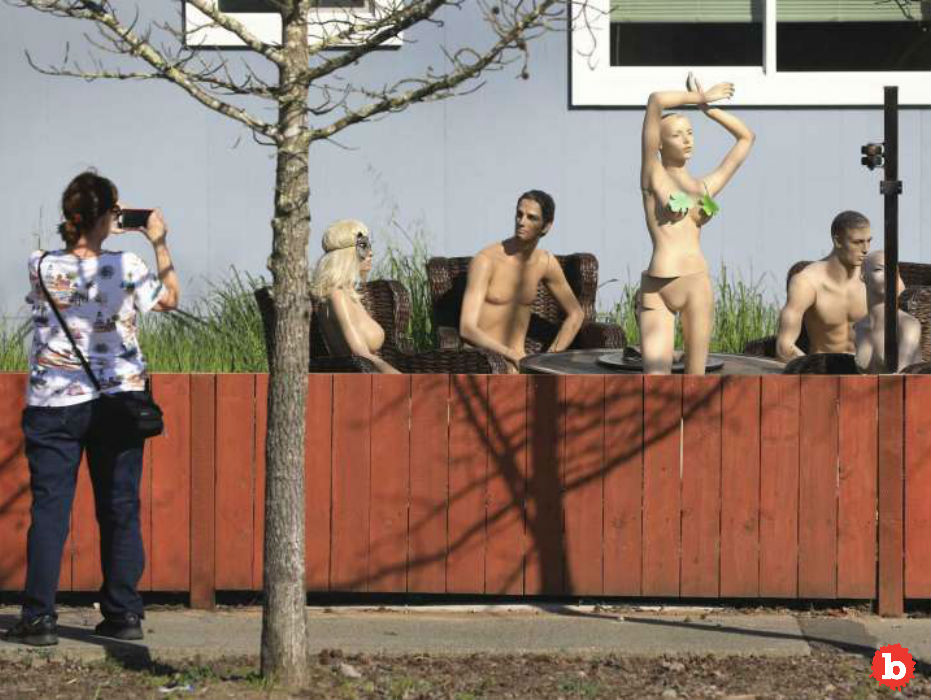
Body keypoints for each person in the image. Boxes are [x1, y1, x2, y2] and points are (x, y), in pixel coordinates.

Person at [2, 171, 179, 646]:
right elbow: (169, 300)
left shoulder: (40, 264)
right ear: (106, 217)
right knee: (119, 508)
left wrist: (100, 224)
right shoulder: (128, 265)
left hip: (53, 404)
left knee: (50, 509)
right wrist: (158, 241)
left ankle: (39, 618)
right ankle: (123, 613)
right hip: (118, 401)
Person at [638, 73, 755, 375]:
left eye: (690, 132)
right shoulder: (652, 172)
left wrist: (710, 111)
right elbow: (656, 100)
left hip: (696, 283)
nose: (687, 139)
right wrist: (702, 96)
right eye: (677, 135)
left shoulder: (704, 187)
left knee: (696, 382)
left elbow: (746, 138)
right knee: (654, 382)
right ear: (659, 143)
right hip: (657, 285)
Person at [458, 190, 584, 373]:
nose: (521, 221)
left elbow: (576, 314)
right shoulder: (486, 261)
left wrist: (549, 358)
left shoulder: (545, 262)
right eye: (519, 214)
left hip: (519, 366)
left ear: (546, 227)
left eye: (531, 217)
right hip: (482, 362)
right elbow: (466, 328)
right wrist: (511, 355)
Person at [776, 211, 872, 362]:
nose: (866, 249)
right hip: (821, 368)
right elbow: (784, 347)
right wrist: (812, 370)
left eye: (869, 241)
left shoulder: (878, 280)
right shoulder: (807, 282)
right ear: (838, 241)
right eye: (857, 242)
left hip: (868, 372)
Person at [310, 219, 400, 374]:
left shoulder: (347, 293)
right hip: (359, 380)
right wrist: (403, 381)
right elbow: (361, 354)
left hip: (369, 375)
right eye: (363, 246)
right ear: (347, 255)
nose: (370, 253)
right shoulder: (338, 295)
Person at [854, 250, 922, 373]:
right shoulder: (857, 328)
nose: (888, 275)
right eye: (878, 269)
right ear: (863, 276)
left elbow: (899, 376)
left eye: (892, 270)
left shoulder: (907, 325)